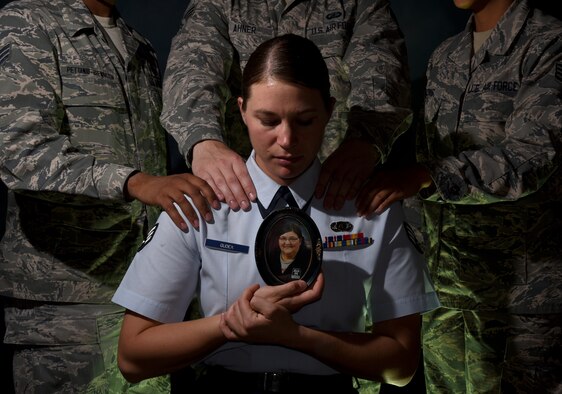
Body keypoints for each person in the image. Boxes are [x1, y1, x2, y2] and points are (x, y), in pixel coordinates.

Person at [112, 33, 440, 394]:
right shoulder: (202, 203)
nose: (286, 140)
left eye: (304, 120)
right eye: (268, 120)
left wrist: (297, 336)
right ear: (241, 111)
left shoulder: (371, 208)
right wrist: (230, 325)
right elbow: (132, 357)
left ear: (330, 111)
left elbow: (401, 365)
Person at [0, 0, 219, 392]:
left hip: (144, 302)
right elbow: (20, 149)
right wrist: (136, 182)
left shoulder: (138, 45)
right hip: (70, 312)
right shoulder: (30, 21)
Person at [358, 0, 562, 392]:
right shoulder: (446, 55)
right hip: (448, 294)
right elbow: (426, 163)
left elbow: (533, 154)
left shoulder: (547, 44)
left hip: (521, 303)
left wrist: (427, 176)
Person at [160, 0, 412, 215]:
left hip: (338, 191)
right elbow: (192, 69)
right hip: (237, 195)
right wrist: (202, 140)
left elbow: (382, 70)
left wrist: (365, 140)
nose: (286, 140)